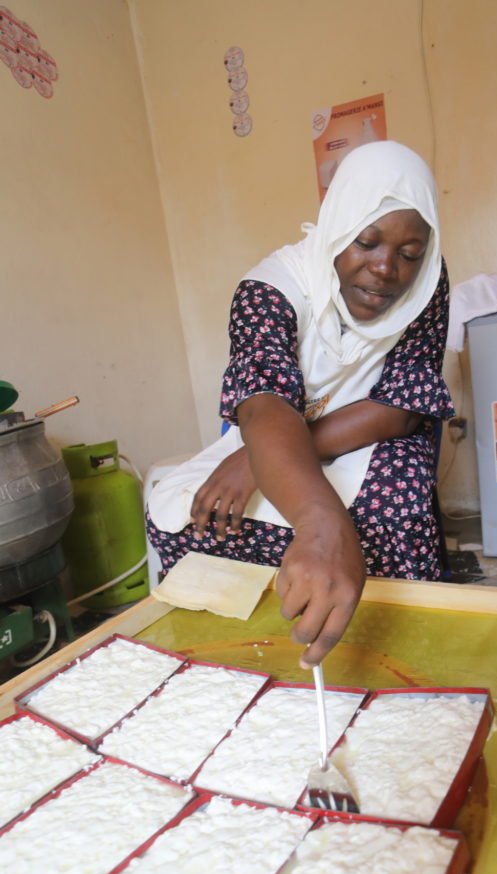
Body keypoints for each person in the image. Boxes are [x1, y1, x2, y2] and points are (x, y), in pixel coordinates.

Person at [146, 140, 454, 668]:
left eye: (409, 254)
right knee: (189, 511)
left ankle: (403, 655)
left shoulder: (426, 284)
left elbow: (402, 408)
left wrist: (259, 462)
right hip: (276, 427)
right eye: (365, 243)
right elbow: (264, 408)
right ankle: (244, 660)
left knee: (393, 507)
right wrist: (319, 523)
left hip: (373, 426)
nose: (387, 268)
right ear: (335, 227)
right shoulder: (267, 292)